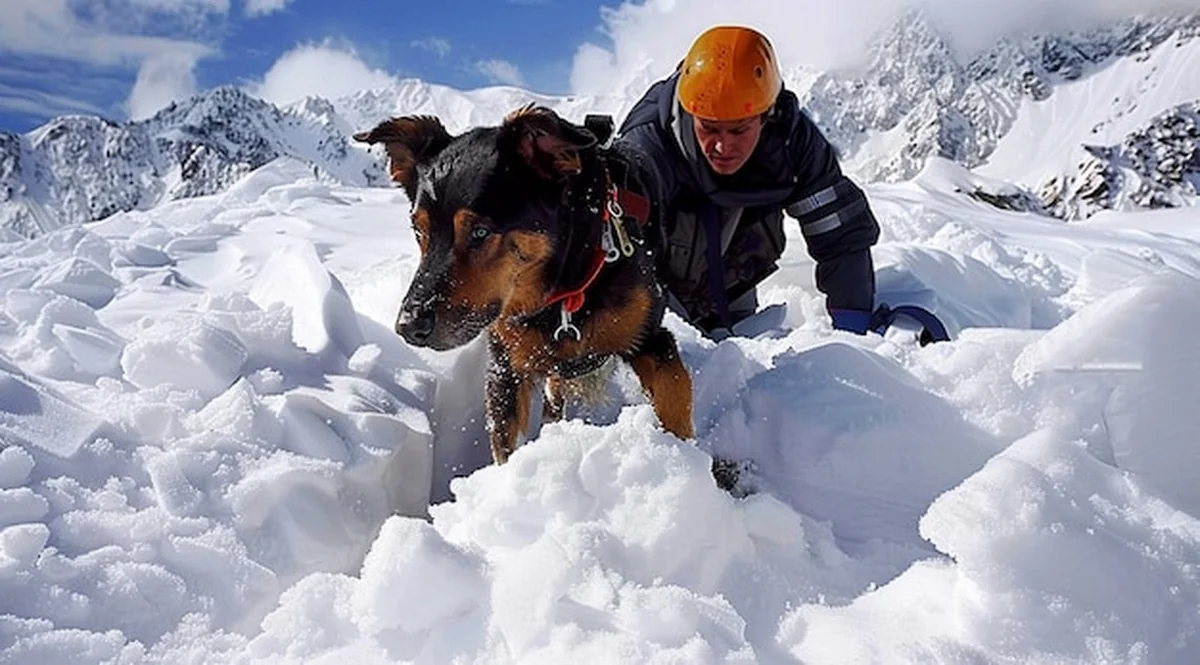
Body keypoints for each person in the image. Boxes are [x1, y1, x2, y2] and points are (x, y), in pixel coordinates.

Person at [617, 25, 881, 338]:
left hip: (734, 292)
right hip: (657, 300)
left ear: (766, 114)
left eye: (739, 130)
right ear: (690, 112)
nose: (723, 147)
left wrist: (855, 329)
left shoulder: (791, 143)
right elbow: (623, 267)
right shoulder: (646, 151)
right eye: (709, 128)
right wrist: (671, 338)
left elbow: (839, 233)